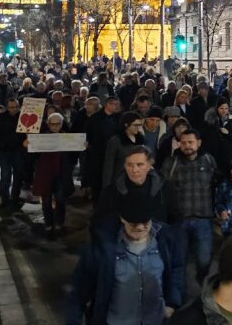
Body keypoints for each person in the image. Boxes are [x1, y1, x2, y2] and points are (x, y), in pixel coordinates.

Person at [67, 195, 184, 325]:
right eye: (133, 224)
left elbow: (176, 268)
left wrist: (172, 302)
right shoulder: (102, 246)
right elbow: (79, 289)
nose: (140, 228)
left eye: (145, 223)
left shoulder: (165, 239)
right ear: (123, 219)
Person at [160, 129, 217, 287]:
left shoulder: (209, 160)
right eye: (183, 142)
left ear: (198, 143)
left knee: (204, 260)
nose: (187, 146)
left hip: (203, 218)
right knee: (179, 261)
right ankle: (179, 297)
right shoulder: (171, 163)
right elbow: (162, 190)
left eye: (190, 142)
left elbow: (218, 185)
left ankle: (201, 288)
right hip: (180, 220)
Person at [93, 145, 167, 224]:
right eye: (130, 165)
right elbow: (99, 223)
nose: (134, 170)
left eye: (140, 165)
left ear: (149, 166)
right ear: (125, 166)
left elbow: (175, 221)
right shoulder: (112, 191)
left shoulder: (164, 189)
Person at [32, 112, 76, 237]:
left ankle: (59, 223)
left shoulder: (67, 138)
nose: (55, 126)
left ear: (61, 124)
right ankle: (48, 223)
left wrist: (81, 146)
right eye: (52, 124)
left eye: (58, 124)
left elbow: (73, 156)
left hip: (61, 174)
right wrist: (28, 146)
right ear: (48, 124)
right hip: (45, 175)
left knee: (61, 200)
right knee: (46, 201)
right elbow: (33, 156)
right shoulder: (42, 138)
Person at [0, 97, 26, 208]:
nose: (14, 109)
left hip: (18, 151)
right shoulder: (0, 118)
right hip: (3, 152)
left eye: (16, 107)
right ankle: (5, 199)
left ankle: (15, 197)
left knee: (18, 175)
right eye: (11, 107)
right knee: (5, 175)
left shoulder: (23, 117)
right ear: (7, 107)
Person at [102, 111, 147, 189]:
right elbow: (108, 166)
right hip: (120, 182)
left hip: (137, 182)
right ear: (126, 125)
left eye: (140, 125)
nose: (139, 128)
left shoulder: (141, 139)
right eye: (135, 125)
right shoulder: (116, 141)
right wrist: (107, 188)